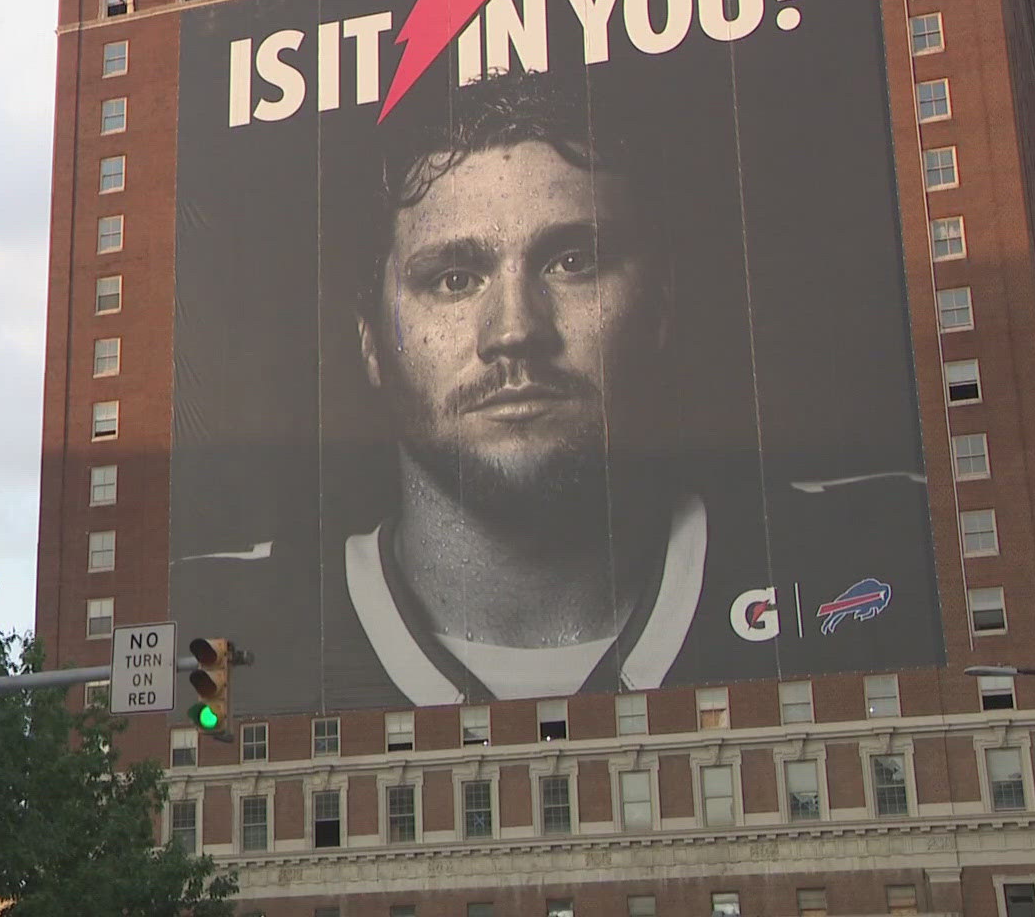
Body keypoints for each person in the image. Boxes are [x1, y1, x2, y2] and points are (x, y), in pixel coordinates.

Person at [172, 68, 926, 710]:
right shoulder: (210, 618)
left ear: (661, 305)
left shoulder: (888, 545)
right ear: (371, 341)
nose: (514, 331)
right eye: (454, 278)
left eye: (572, 261)